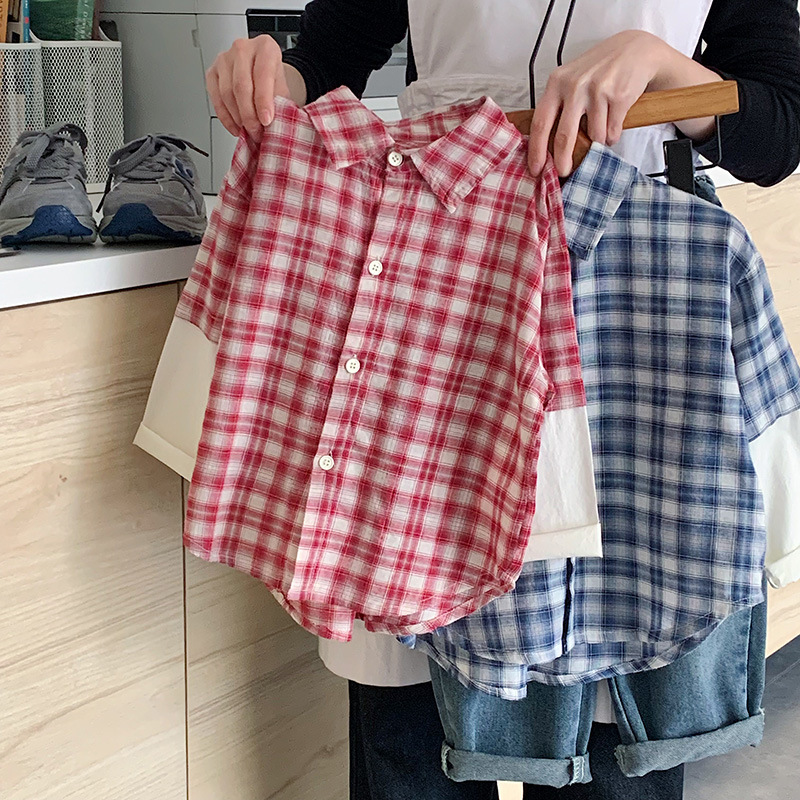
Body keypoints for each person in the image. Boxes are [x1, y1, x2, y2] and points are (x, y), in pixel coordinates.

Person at [204, 2, 800, 798]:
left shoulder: (694, 250)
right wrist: (269, 77)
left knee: (612, 700)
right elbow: (327, 54)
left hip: (626, 275)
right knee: (411, 715)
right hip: (430, 268)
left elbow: (780, 129)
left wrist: (664, 66)